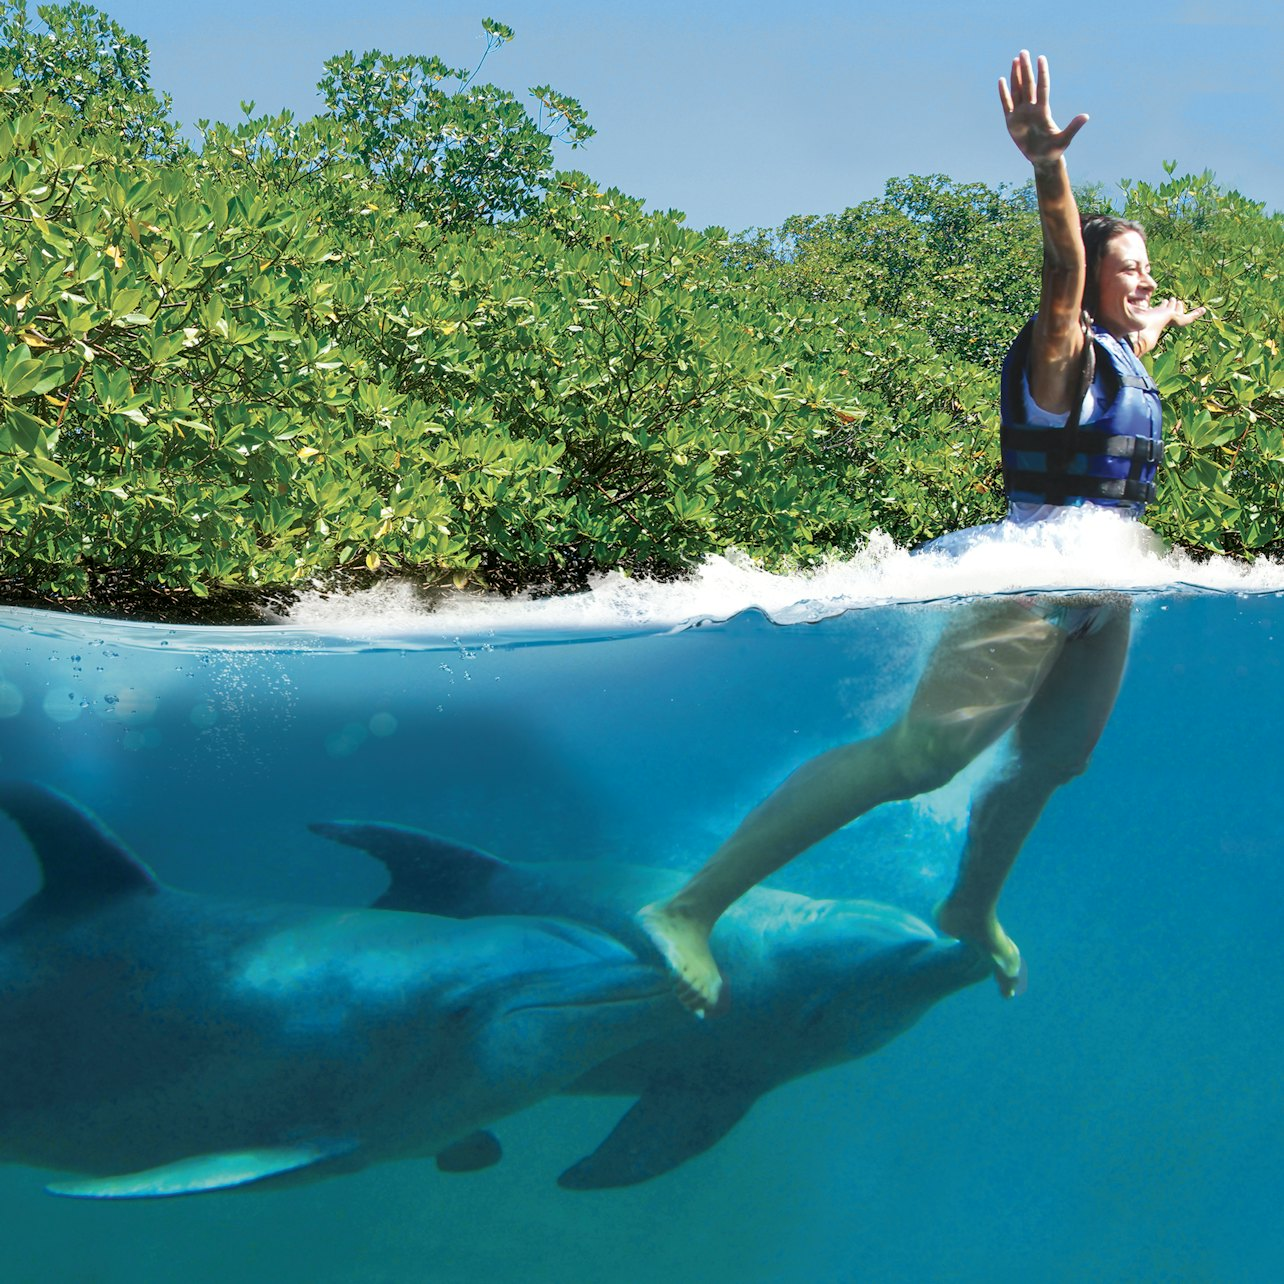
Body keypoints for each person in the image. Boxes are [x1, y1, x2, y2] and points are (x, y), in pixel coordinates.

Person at [639, 50, 1205, 1014]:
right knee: (919, 759)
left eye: (1150, 268)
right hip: (1036, 573)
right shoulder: (1057, 348)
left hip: (1106, 586)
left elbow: (1132, 331)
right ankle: (689, 907)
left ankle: (968, 908)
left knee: (1057, 759)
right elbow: (1065, 271)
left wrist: (1162, 320)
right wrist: (1046, 166)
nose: (1144, 280)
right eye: (1130, 269)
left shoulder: (1122, 348)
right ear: (1088, 283)